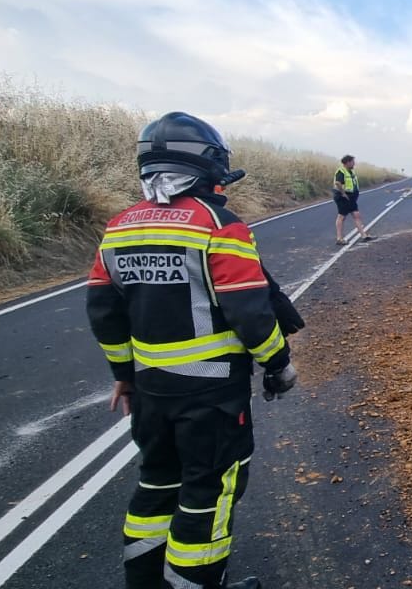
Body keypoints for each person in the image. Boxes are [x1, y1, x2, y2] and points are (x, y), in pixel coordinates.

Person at [87, 111, 303, 589]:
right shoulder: (219, 226)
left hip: (149, 392)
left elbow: (104, 312)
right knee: (208, 495)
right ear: (206, 166)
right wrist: (278, 364)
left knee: (157, 484)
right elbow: (251, 313)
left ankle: (144, 582)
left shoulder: (119, 227)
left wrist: (123, 374)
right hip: (211, 396)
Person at [333, 154, 372, 244]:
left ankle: (363, 235)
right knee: (341, 216)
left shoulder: (350, 171)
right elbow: (338, 183)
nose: (354, 164)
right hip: (343, 197)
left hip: (351, 197)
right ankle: (339, 238)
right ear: (347, 162)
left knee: (356, 215)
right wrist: (343, 193)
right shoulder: (341, 171)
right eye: (352, 162)